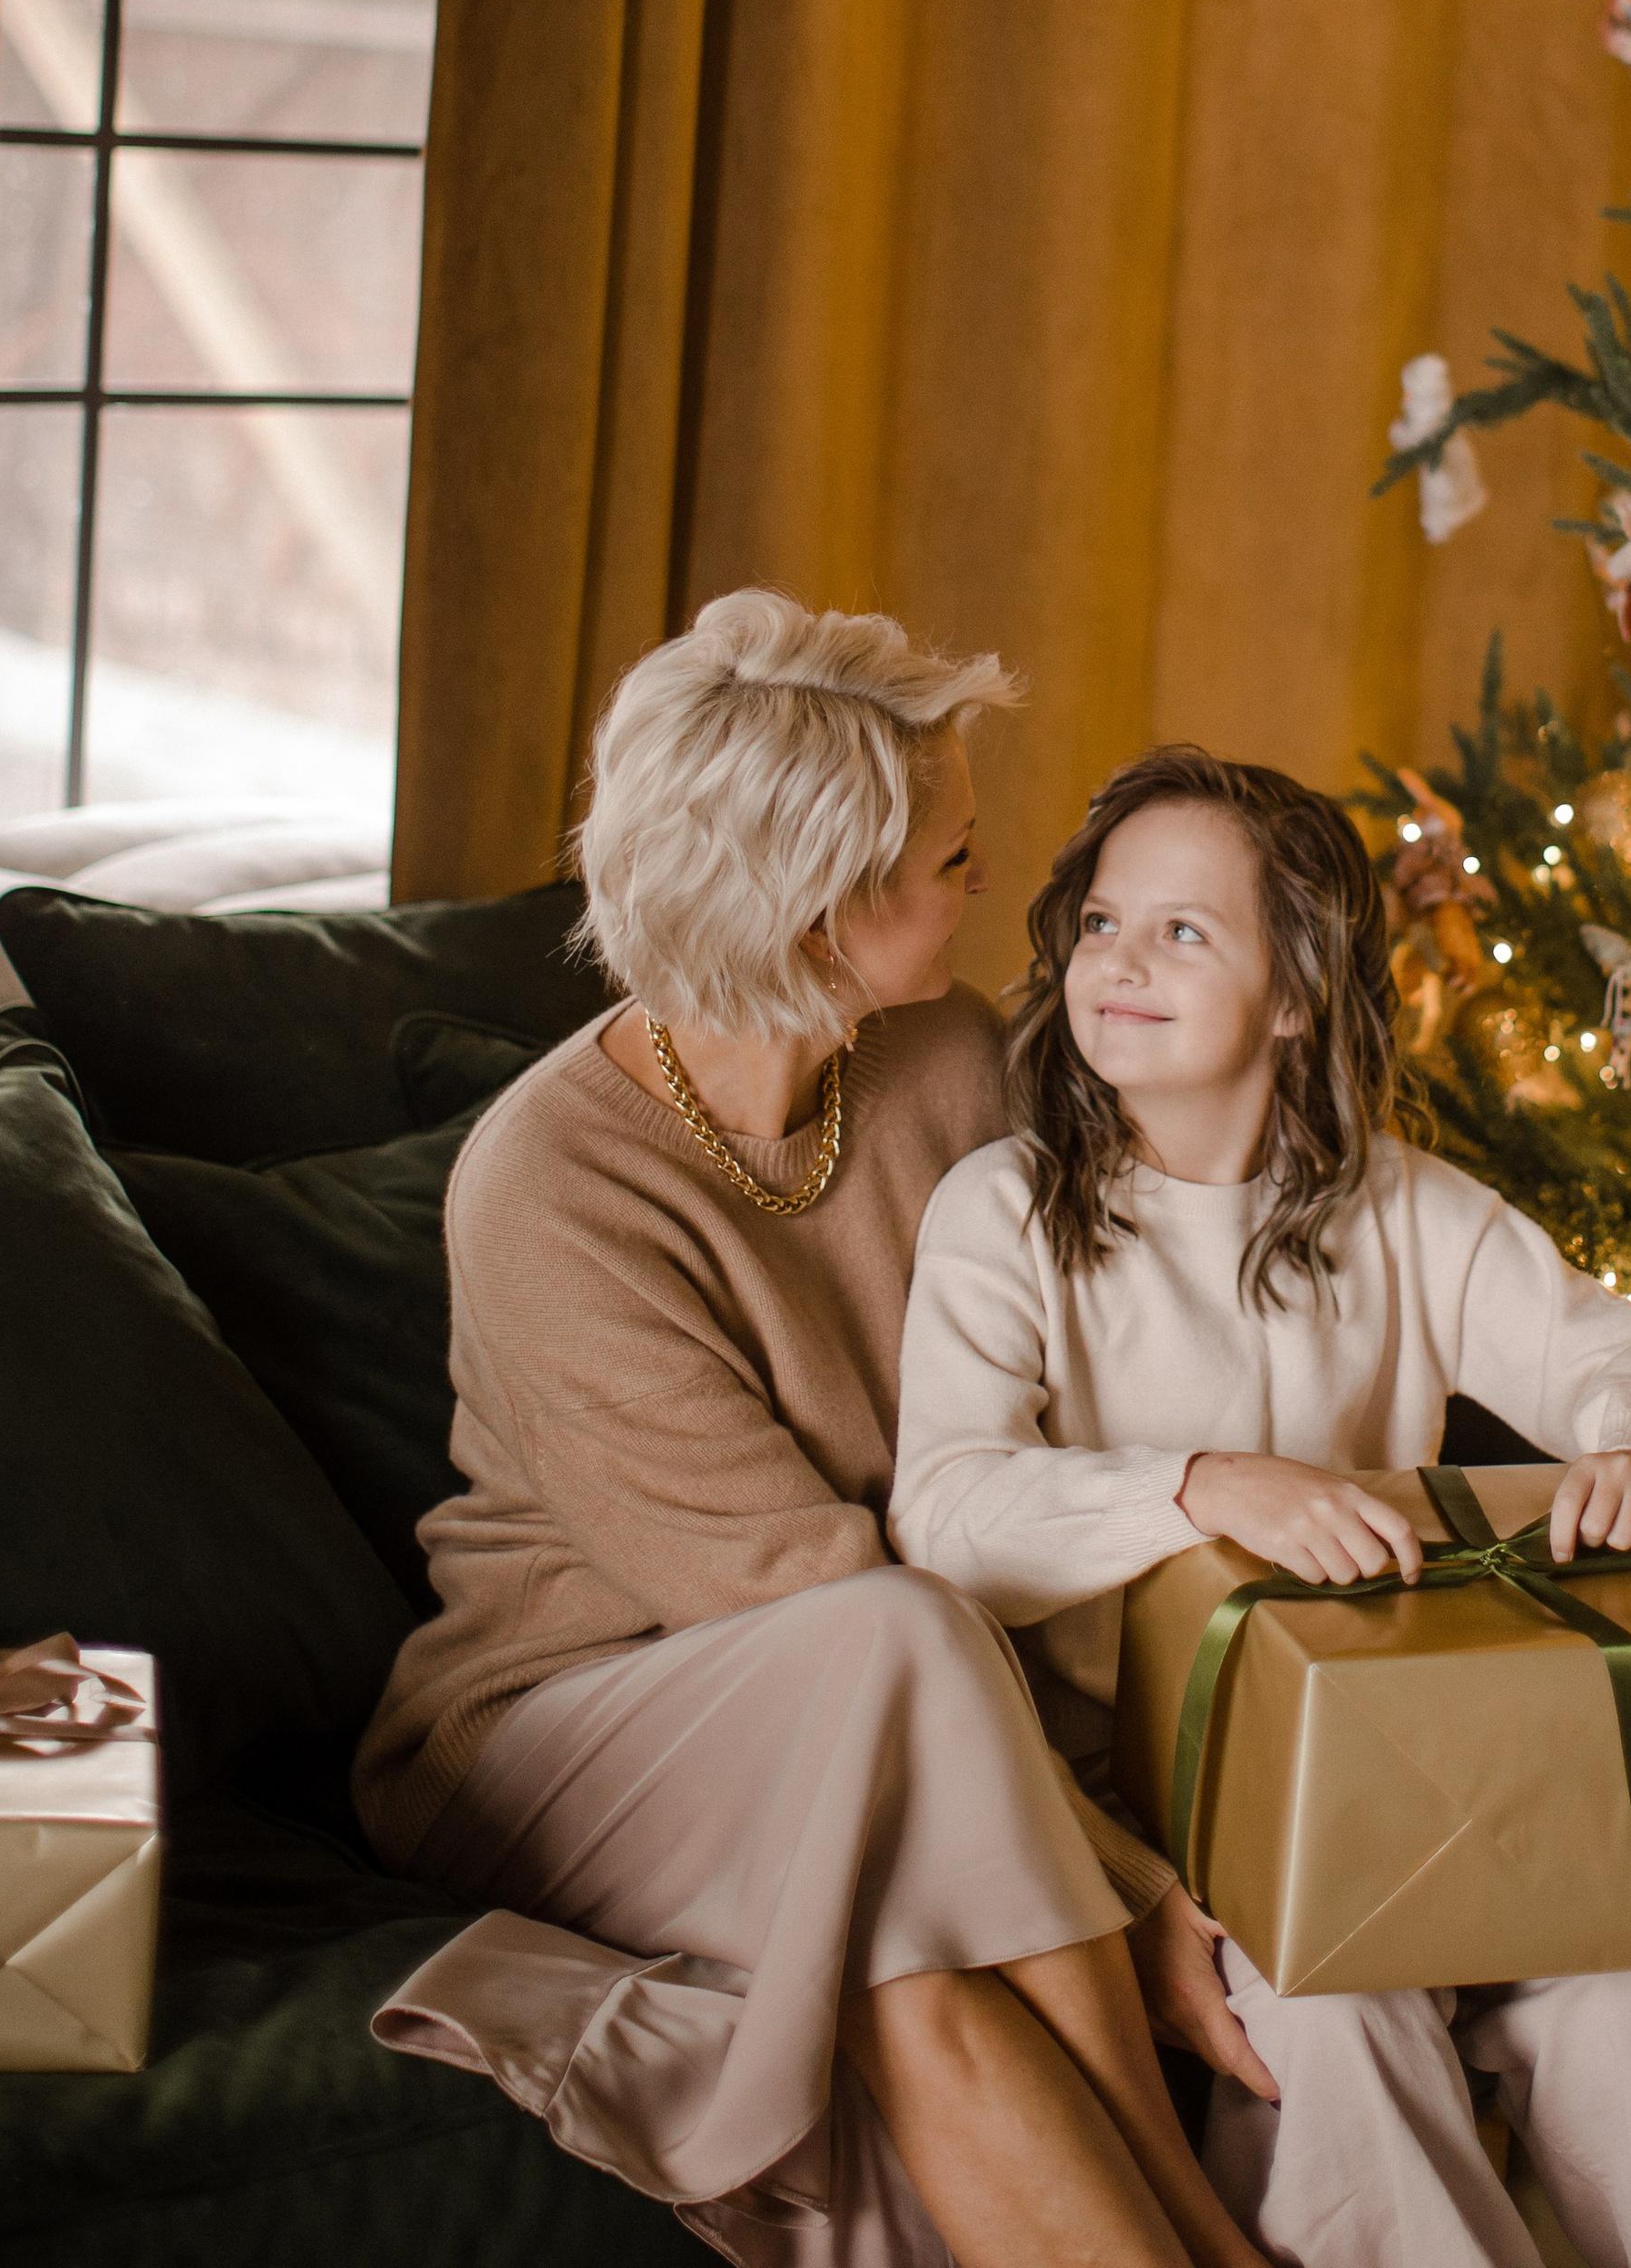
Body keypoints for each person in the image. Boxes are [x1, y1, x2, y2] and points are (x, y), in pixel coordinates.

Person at [354, 593, 1268, 2268]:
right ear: (820, 908)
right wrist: (1131, 1889)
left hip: (880, 1714)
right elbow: (793, 1587)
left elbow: (1135, 1328)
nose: (986, 883)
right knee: (885, 1631)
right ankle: (1202, 2217)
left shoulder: (945, 1064)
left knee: (907, 1989)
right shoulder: (548, 1182)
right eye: (951, 859)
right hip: (570, 1723)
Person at [889, 747, 1631, 2268]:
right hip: (1160, 1819)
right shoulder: (1008, 1208)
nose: (1121, 964)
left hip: (1424, 1779)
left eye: (1186, 932)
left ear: (1299, 992)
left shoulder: (1404, 1211)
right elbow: (952, 1512)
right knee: (1342, 2005)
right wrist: (1200, 1485)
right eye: (1105, 923)